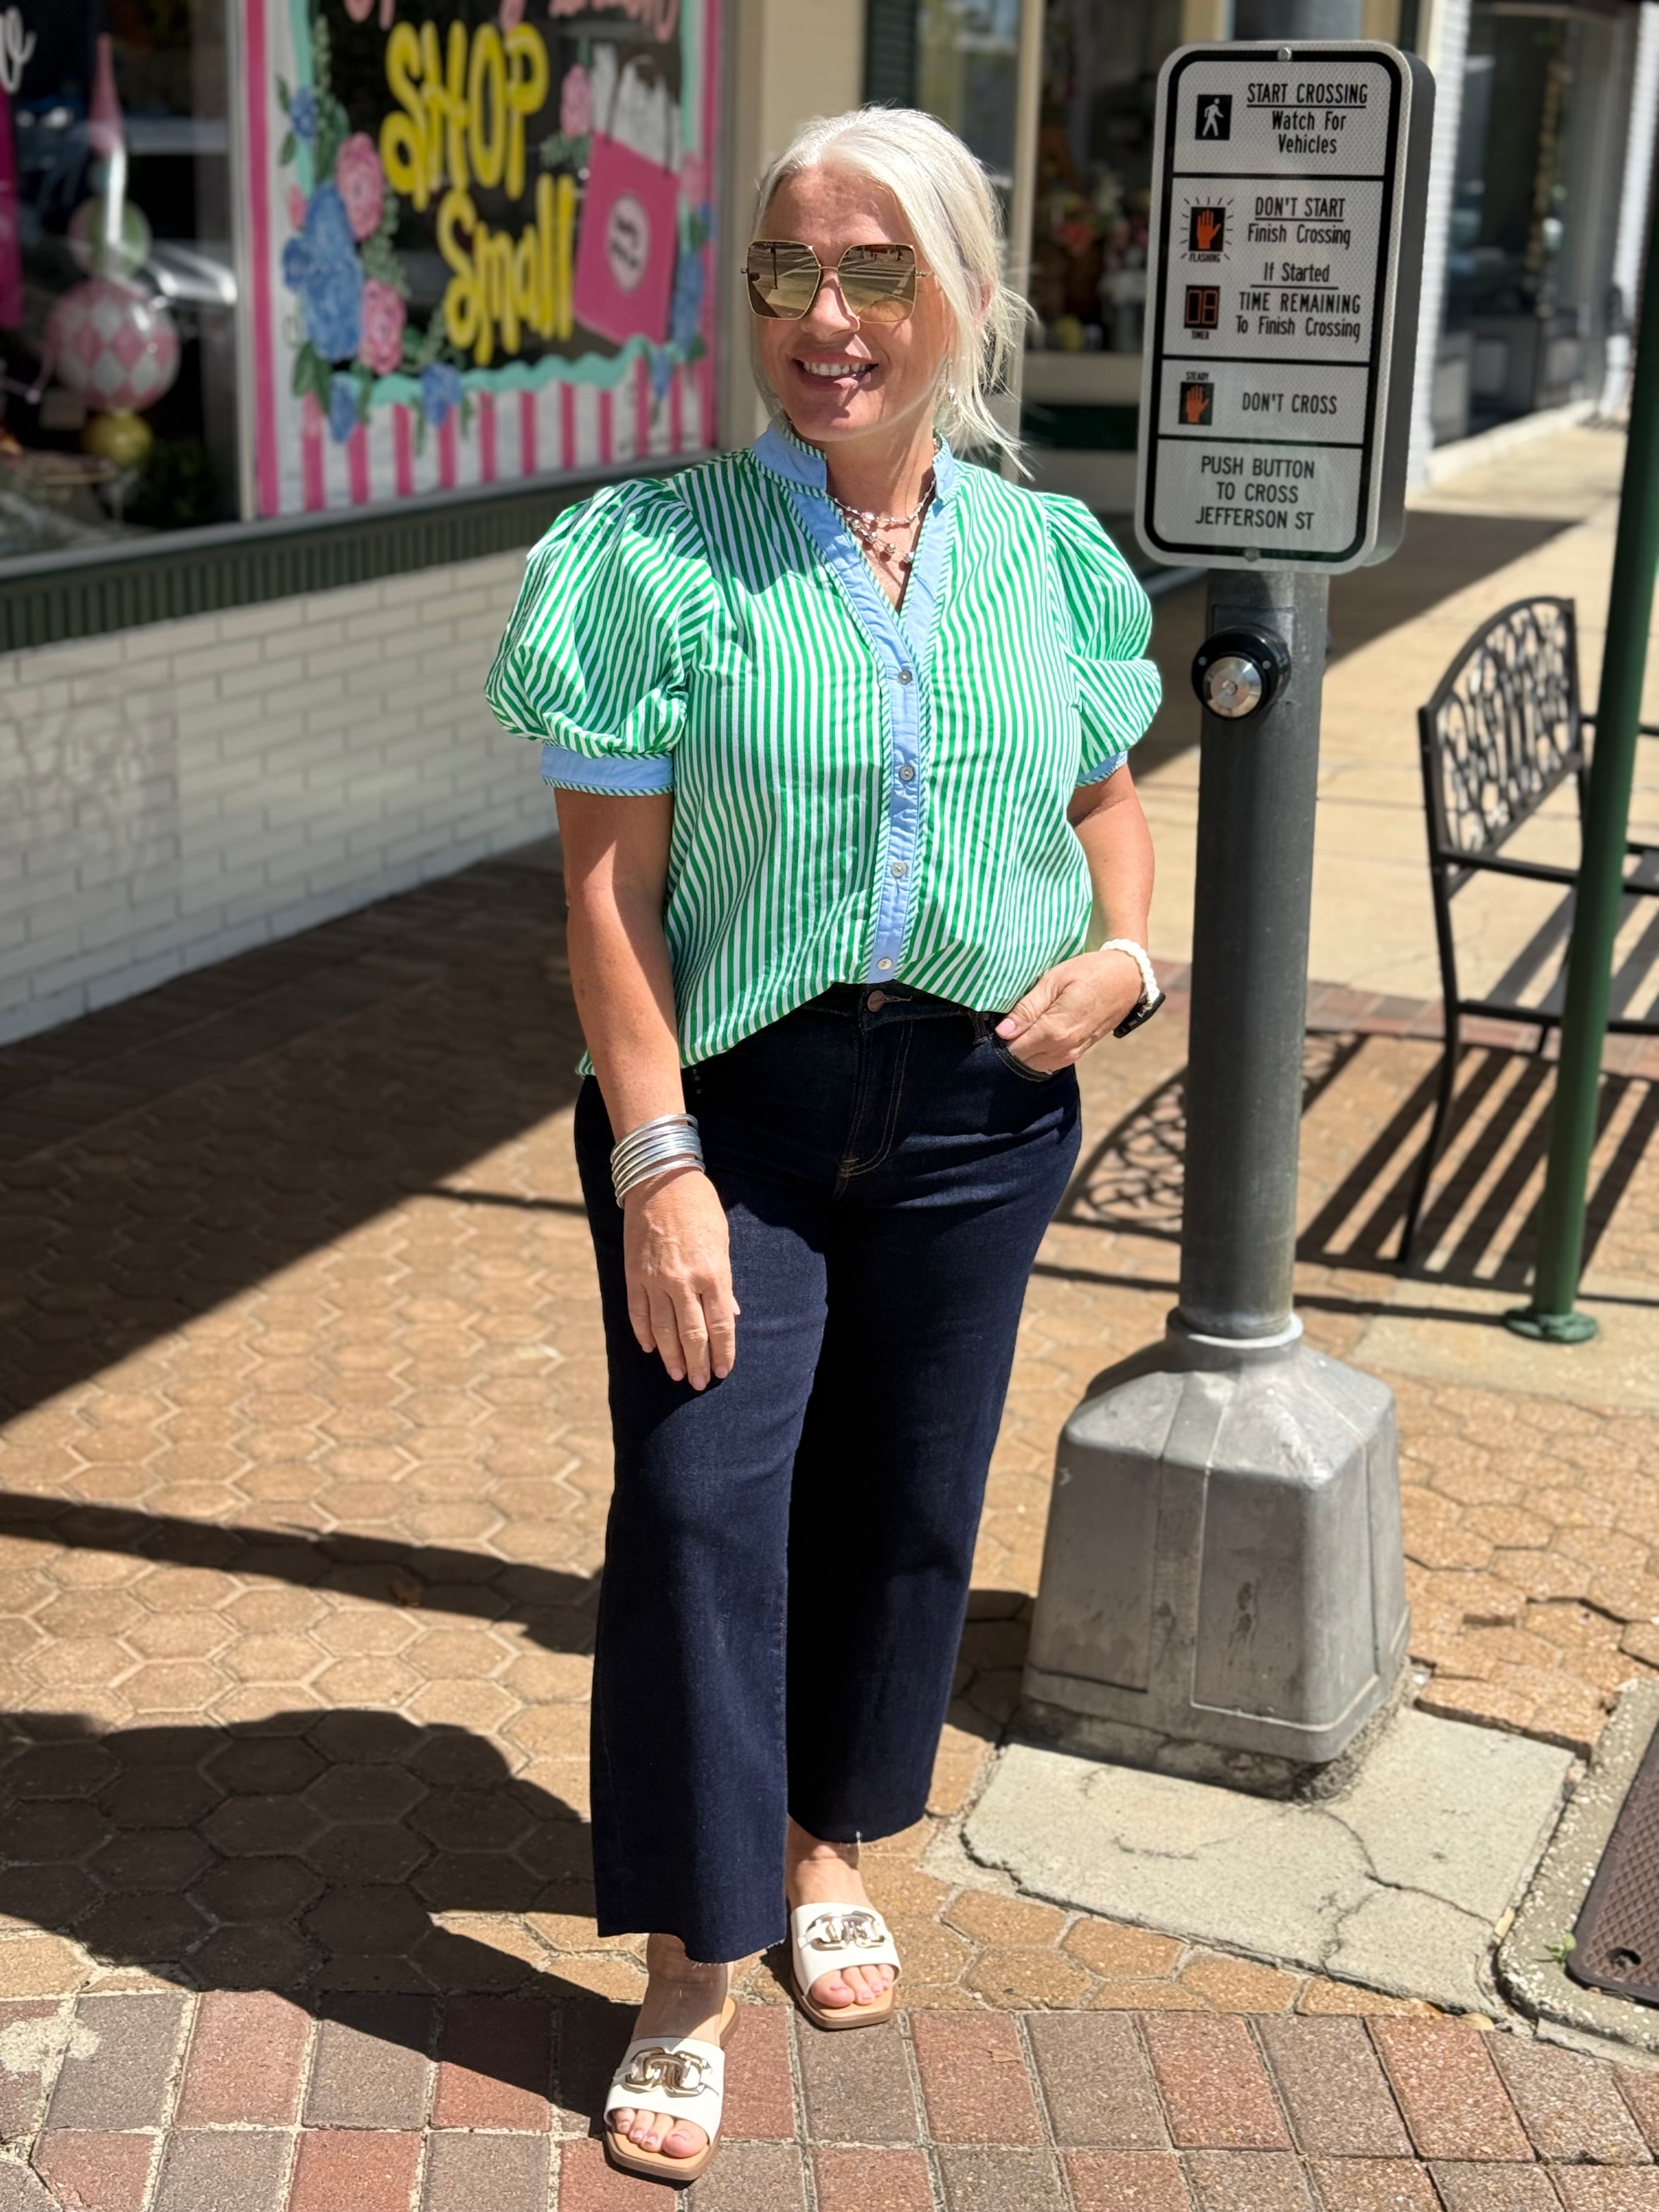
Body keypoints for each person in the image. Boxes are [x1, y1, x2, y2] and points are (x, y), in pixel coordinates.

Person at [486, 103, 1161, 2183]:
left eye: (879, 272)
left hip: (980, 1113)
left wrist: (1125, 964)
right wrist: (657, 1162)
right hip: (748, 1120)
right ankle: (697, 1962)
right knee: (698, 1511)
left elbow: (1103, 804)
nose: (828, 317)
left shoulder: (1048, 557)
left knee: (906, 1509)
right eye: (791, 272)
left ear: (963, 294)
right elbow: (607, 899)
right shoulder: (650, 556)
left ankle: (828, 1834)